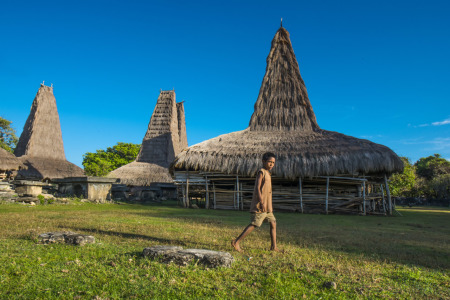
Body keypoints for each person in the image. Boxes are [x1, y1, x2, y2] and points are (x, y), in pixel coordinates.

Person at [231, 152, 278, 252]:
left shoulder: (268, 173)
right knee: (255, 224)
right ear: (263, 161)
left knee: (273, 223)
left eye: (273, 163)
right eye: (269, 162)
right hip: (261, 204)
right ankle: (236, 242)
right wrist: (261, 202)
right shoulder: (261, 172)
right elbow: (257, 187)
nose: (271, 164)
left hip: (268, 206)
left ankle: (274, 247)